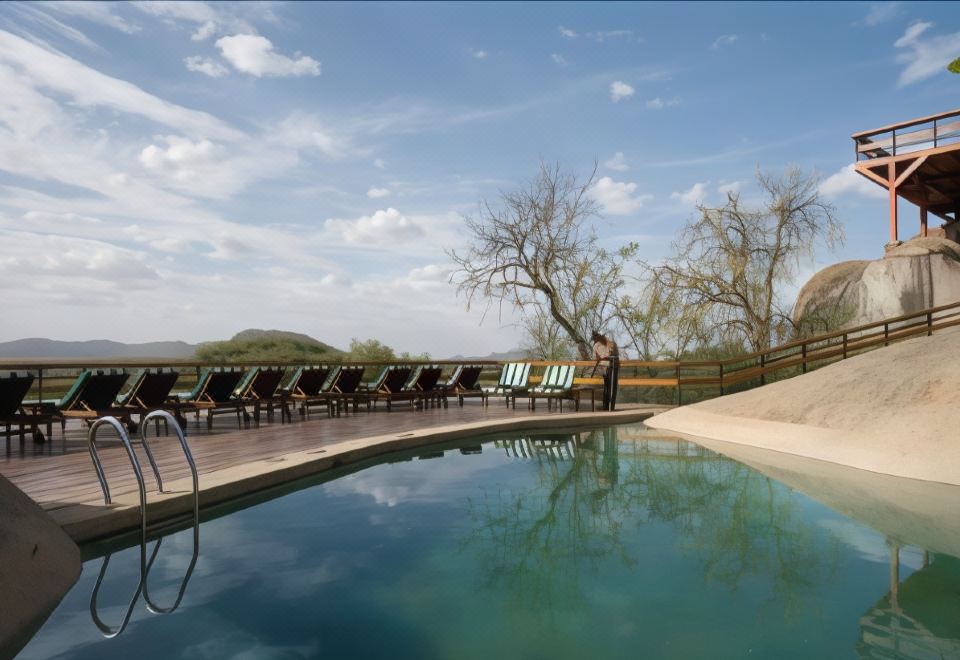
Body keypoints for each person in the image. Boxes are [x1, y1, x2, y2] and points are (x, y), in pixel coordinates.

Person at [591, 331, 620, 411]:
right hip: (605, 367)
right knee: (607, 388)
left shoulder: (611, 344)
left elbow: (615, 356)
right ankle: (607, 407)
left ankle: (609, 407)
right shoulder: (597, 346)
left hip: (611, 367)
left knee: (610, 388)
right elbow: (595, 358)